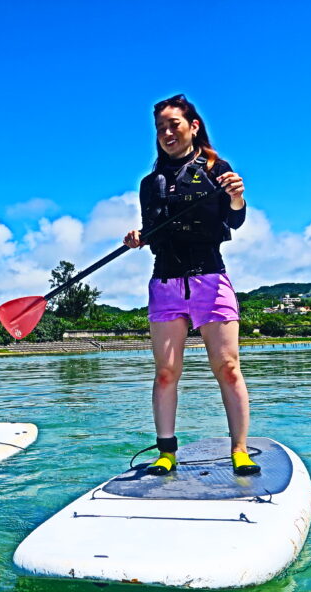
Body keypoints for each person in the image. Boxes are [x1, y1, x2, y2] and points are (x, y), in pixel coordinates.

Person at [122, 94, 259, 476]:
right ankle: (166, 451)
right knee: (166, 371)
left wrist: (236, 197)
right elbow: (154, 230)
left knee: (228, 367)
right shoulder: (150, 183)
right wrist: (139, 236)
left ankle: (240, 449)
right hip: (165, 283)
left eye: (174, 124)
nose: (167, 132)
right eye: (160, 128)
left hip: (210, 279)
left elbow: (235, 221)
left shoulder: (218, 168)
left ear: (193, 126)